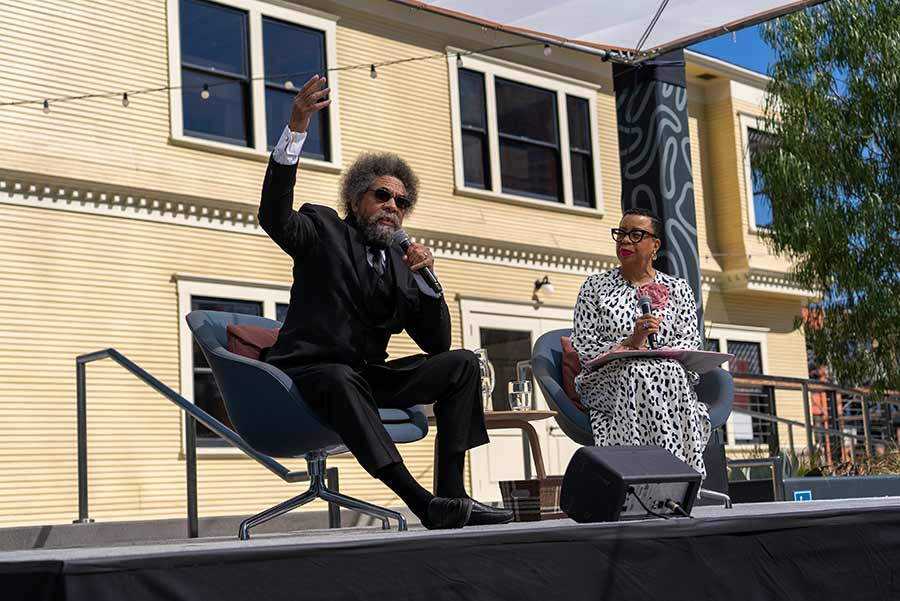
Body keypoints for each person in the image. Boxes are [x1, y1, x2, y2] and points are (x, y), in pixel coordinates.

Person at [257, 75, 513, 529]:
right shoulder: (322, 230)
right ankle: (419, 501)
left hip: (365, 375)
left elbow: (436, 342)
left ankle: (453, 496)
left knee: (461, 365)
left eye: (402, 200)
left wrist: (429, 281)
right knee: (340, 377)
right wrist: (295, 128)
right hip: (312, 370)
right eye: (382, 195)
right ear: (357, 200)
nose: (393, 205)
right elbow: (274, 215)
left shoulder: (400, 261)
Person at [571, 208, 711, 478]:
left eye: (636, 235)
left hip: (668, 376)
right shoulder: (594, 287)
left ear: (655, 245)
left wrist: (657, 353)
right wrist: (630, 342)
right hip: (608, 379)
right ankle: (650, 476)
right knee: (637, 371)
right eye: (620, 234)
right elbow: (585, 346)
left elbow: (691, 339)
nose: (624, 241)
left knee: (664, 372)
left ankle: (670, 478)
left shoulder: (678, 288)